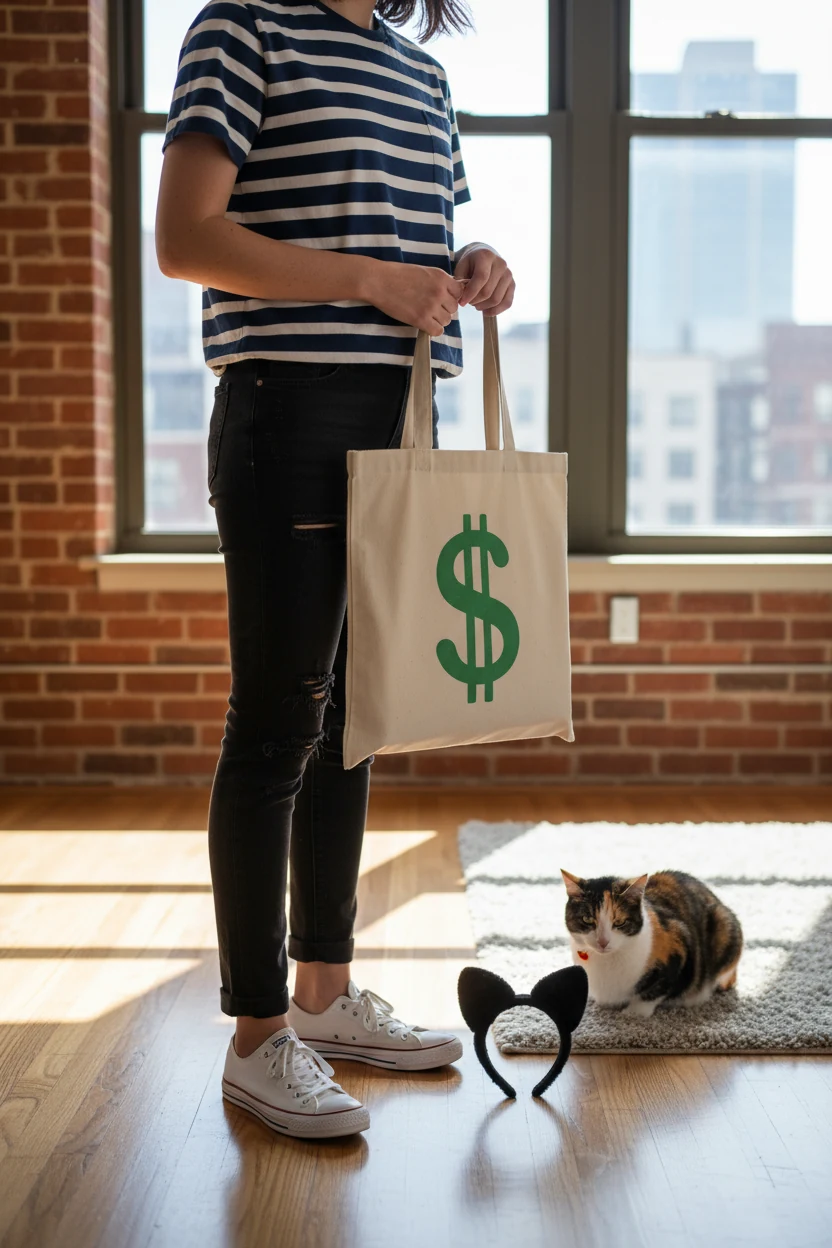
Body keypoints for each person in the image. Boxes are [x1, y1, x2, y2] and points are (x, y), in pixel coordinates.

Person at [155, 0, 515, 1140]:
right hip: (284, 413)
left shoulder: (421, 74)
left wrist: (467, 264)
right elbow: (185, 240)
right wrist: (368, 280)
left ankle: (321, 995)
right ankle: (257, 1036)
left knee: (354, 718)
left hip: (395, 420)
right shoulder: (242, 29)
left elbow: (408, 246)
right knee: (277, 722)